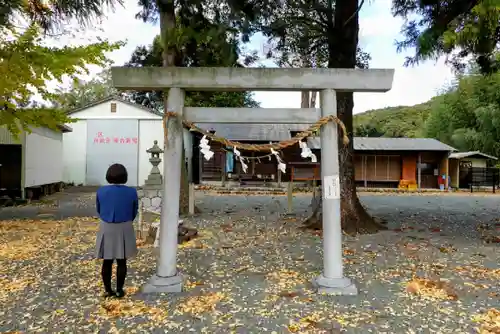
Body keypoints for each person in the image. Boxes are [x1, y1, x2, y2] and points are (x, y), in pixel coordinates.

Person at [95, 163, 138, 298]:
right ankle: (119, 290)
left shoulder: (101, 191)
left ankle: (108, 290)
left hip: (106, 225)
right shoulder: (131, 191)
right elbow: (134, 210)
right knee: (122, 261)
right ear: (124, 176)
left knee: (107, 261)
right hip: (125, 225)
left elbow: (99, 209)